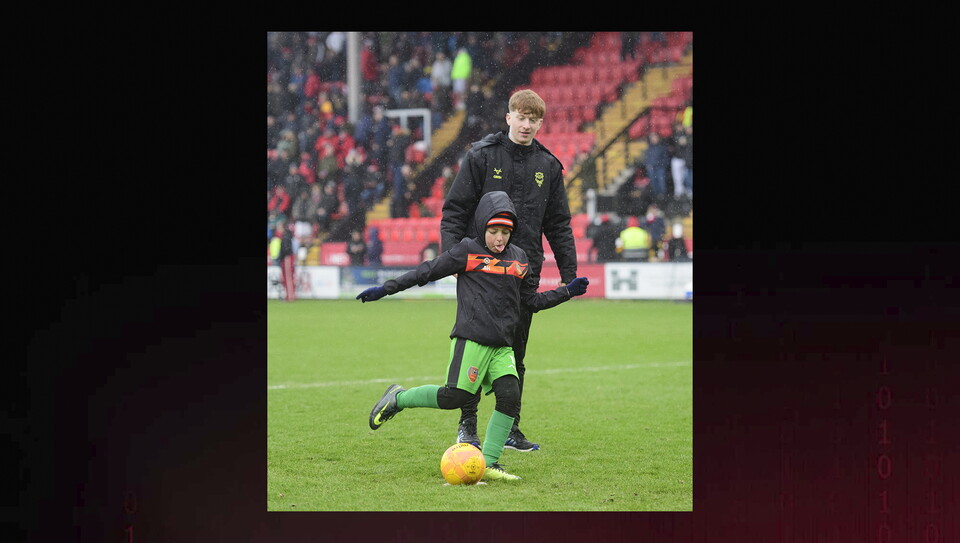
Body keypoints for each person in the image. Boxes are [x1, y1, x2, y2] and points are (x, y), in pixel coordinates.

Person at [359, 191, 589, 481]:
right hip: (471, 340)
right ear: (483, 227)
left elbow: (531, 302)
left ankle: (490, 463)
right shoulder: (467, 251)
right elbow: (426, 272)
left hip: (502, 346)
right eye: (494, 231)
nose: (499, 239)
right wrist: (386, 288)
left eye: (505, 232)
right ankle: (398, 398)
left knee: (509, 397)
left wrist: (567, 292)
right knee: (454, 397)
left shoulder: (520, 259)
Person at [440, 89, 578, 452]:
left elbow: (559, 223)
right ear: (509, 117)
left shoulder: (548, 166)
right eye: (522, 117)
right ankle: (466, 425)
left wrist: (569, 272)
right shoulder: (482, 156)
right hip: (480, 268)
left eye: (535, 119)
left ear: (540, 123)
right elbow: (455, 210)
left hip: (524, 269)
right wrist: (452, 257)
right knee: (476, 347)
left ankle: (510, 428)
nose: (527, 125)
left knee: (515, 353)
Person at [269, 220, 296, 301]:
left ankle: (290, 296)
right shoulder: (285, 235)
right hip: (285, 257)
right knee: (286, 277)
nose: (278, 229)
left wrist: (282, 256)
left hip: (287, 258)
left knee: (288, 277)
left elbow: (286, 249)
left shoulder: (285, 236)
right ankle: (289, 295)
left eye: (279, 227)